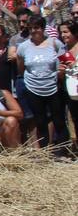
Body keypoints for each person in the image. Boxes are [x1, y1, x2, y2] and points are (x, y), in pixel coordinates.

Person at [15, 16, 70, 152]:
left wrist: (60, 74)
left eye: (37, 28)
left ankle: (63, 150)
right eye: (31, 28)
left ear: (43, 28)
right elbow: (21, 67)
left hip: (53, 87)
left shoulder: (55, 43)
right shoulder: (23, 47)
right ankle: (45, 152)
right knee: (40, 121)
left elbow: (64, 63)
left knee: (58, 120)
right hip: (33, 88)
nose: (34, 31)